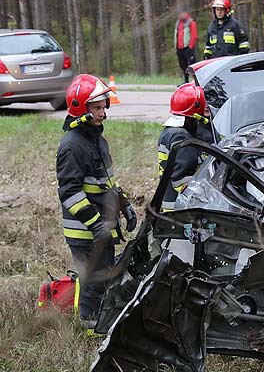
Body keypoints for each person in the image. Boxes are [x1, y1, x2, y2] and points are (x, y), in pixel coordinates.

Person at [56, 74, 137, 328]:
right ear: (81, 109)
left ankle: (103, 321)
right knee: (94, 280)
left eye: (104, 107)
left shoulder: (97, 140)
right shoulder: (72, 146)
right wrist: (95, 224)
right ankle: (91, 328)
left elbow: (107, 182)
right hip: (85, 230)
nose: (102, 113)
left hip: (102, 226)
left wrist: (125, 205)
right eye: (96, 108)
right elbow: (70, 192)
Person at [157, 83, 212, 211]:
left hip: (168, 200)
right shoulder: (181, 138)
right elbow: (181, 180)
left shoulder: (169, 132)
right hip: (179, 208)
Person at [174, 10, 198, 84]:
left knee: (192, 65)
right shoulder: (178, 23)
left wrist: (190, 47)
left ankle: (197, 80)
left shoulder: (191, 22)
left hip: (188, 48)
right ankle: (186, 80)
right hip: (179, 48)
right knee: (183, 65)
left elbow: (194, 35)